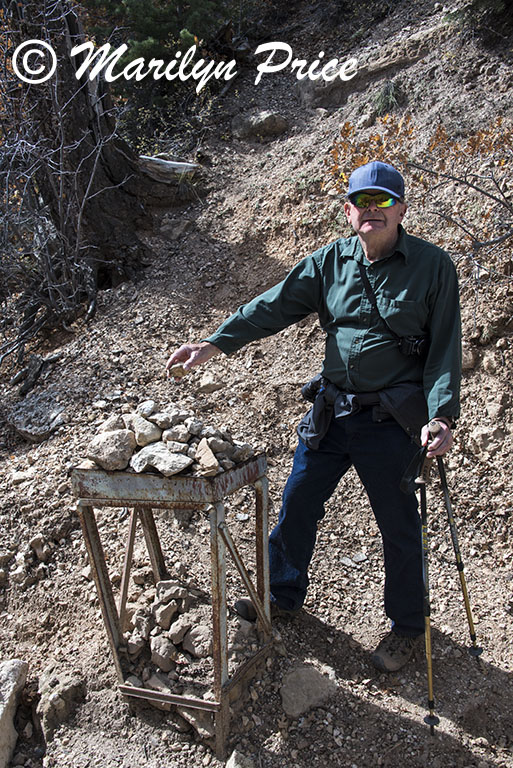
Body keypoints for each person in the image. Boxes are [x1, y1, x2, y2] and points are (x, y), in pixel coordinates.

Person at [166, 160, 461, 672]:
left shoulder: (434, 268)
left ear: (402, 209)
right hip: (332, 413)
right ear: (348, 212)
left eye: (383, 201)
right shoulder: (329, 262)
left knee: (398, 524)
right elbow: (274, 306)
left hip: (392, 422)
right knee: (298, 500)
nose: (372, 210)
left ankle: (409, 627)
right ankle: (281, 596)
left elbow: (443, 353)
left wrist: (441, 416)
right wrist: (214, 344)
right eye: (362, 202)